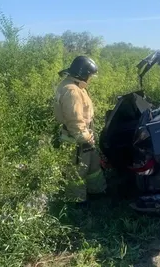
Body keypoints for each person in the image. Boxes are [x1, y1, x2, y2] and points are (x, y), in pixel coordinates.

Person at [53, 56, 107, 206]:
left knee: (92, 167)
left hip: (82, 136)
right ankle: (77, 203)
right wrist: (85, 138)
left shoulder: (72, 85)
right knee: (77, 172)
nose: (90, 78)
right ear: (83, 74)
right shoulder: (72, 91)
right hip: (76, 139)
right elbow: (74, 120)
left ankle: (96, 191)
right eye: (90, 75)